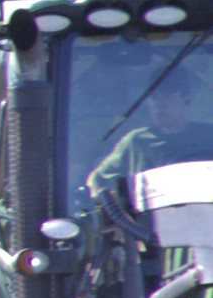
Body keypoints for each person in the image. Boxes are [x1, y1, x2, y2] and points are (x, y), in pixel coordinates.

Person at [88, 60, 213, 207]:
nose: (159, 104)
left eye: (167, 96)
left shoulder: (208, 137)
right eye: (154, 97)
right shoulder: (136, 142)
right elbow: (97, 180)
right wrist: (111, 201)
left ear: (187, 98)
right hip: (147, 225)